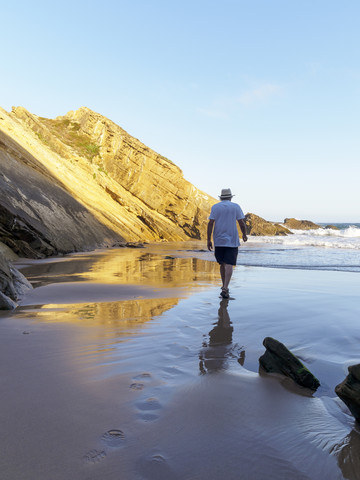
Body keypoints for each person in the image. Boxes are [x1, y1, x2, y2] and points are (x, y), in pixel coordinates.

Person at [207, 188, 247, 298]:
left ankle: (224, 286)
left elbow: (210, 223)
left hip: (218, 240)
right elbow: (241, 222)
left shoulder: (215, 207)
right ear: (230, 197)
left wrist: (208, 239)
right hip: (232, 240)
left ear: (221, 197)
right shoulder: (235, 206)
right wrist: (244, 234)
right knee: (229, 264)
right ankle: (225, 287)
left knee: (222, 263)